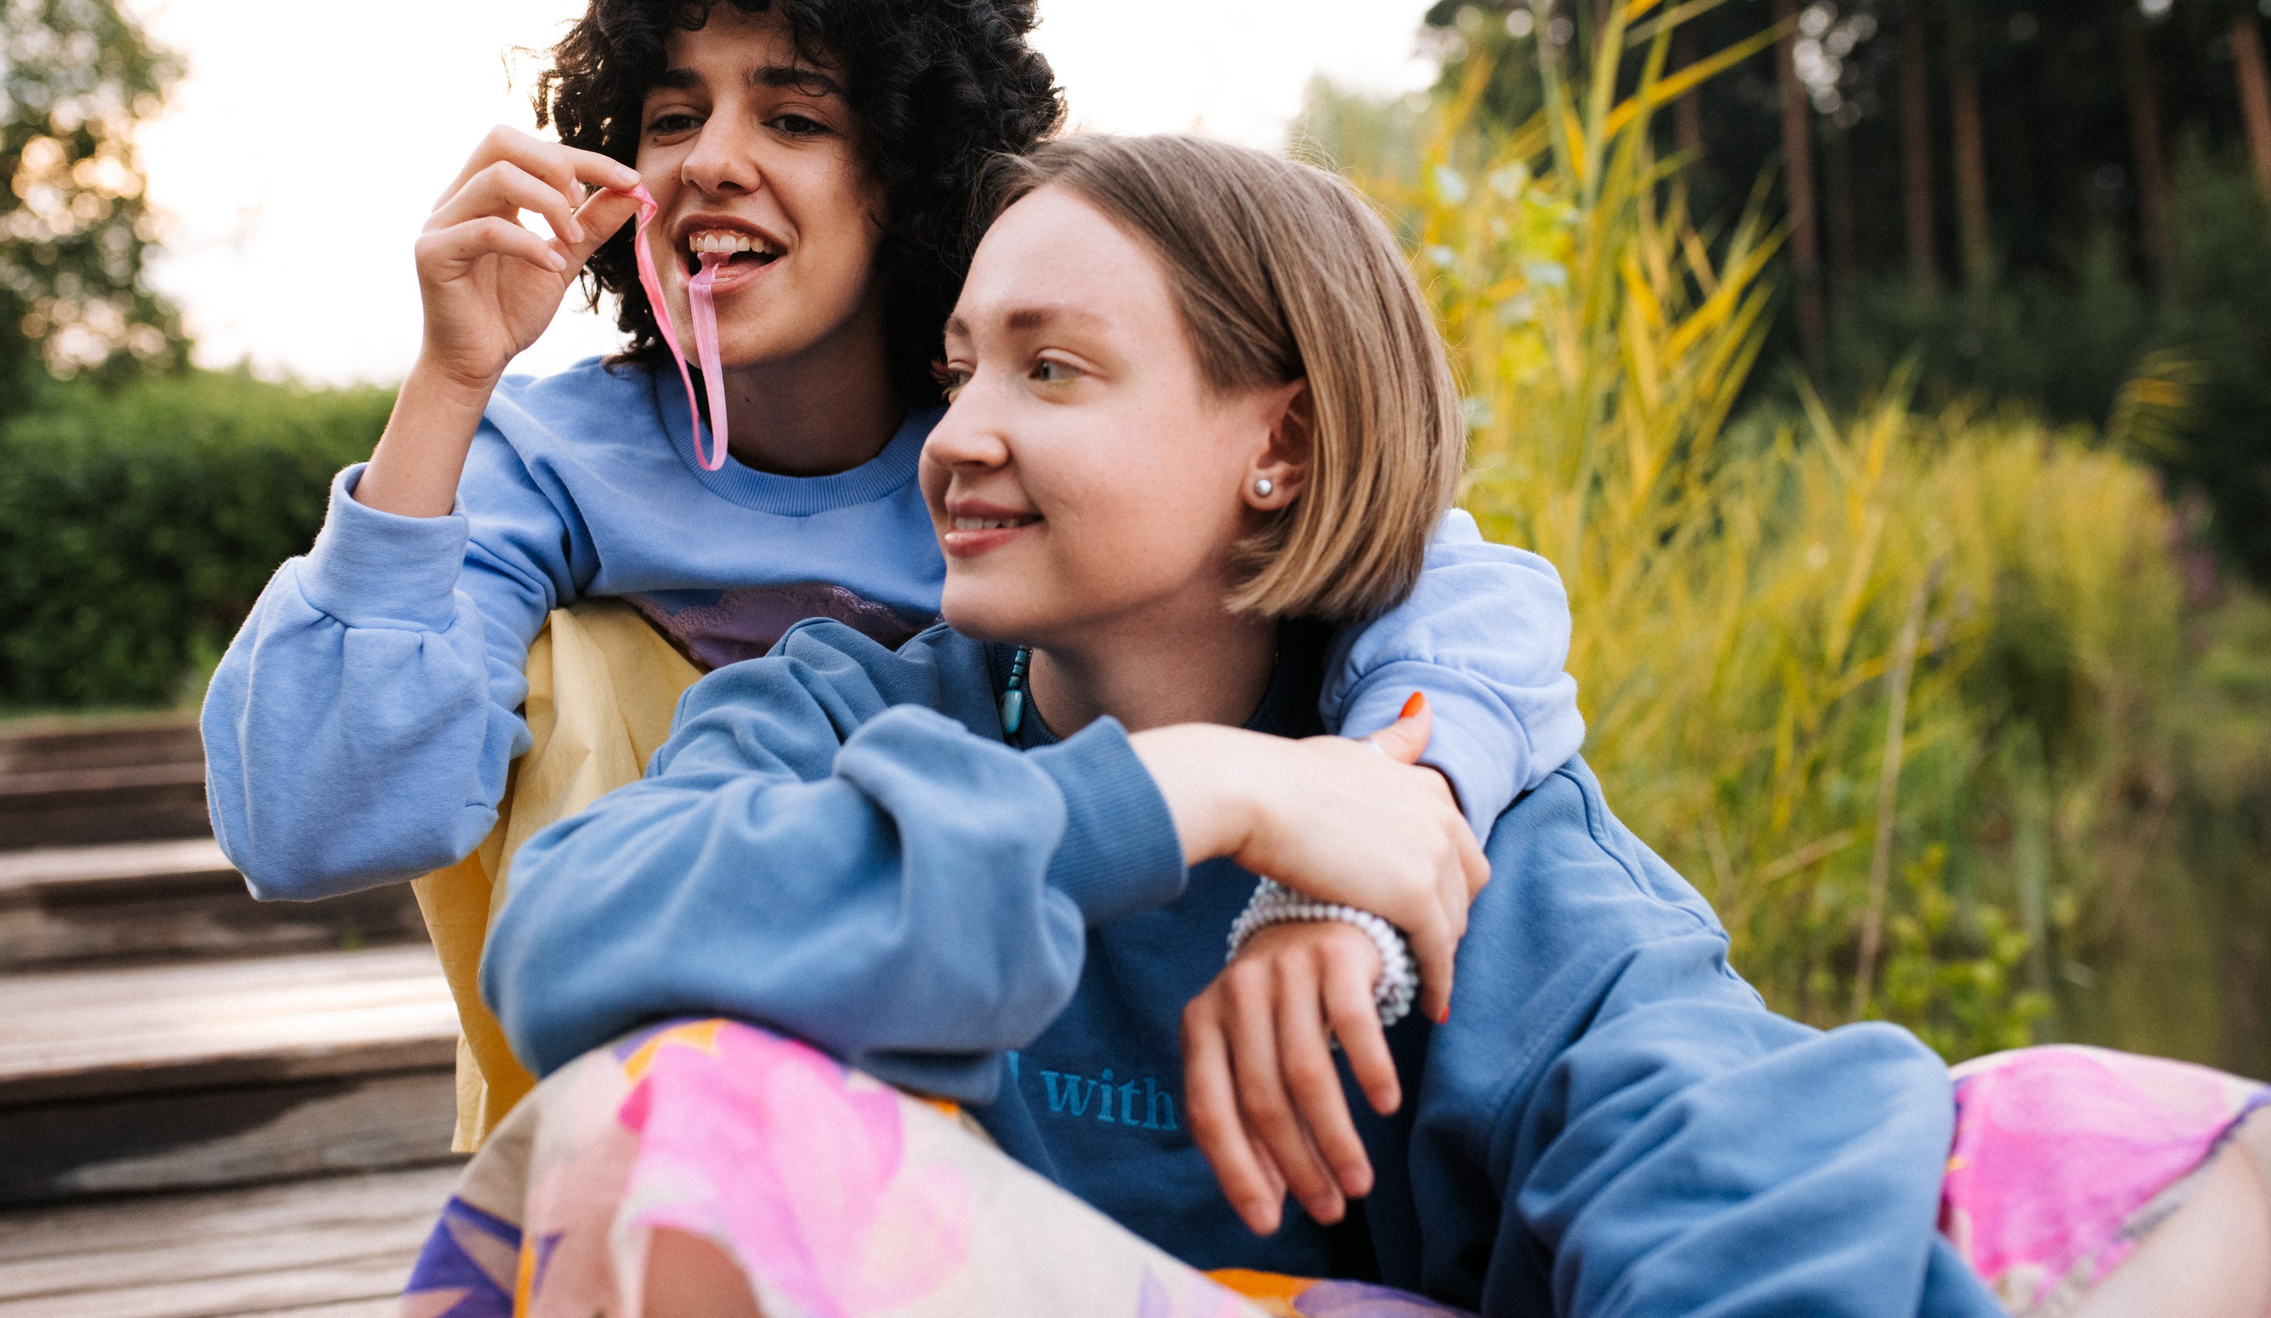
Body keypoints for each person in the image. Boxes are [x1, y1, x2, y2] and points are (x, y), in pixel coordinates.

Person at [403, 134, 2271, 1318]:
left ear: (1278, 443)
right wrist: (1192, 795)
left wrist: (1332, 855)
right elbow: (577, 939)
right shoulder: (842, 706)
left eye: (1050, 370)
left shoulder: (1470, 835)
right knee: (660, 1130)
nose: (958, 432)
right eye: (963, 362)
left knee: (2135, 1146)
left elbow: (1689, 1134)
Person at [201, 0, 1582, 1040]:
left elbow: (1431, 575)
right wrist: (452, 378)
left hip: (1024, 1006)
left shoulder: (1022, 463)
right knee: (573, 668)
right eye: (671, 116)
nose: (709, 162)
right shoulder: (553, 454)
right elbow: (312, 825)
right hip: (661, 1009)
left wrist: (1392, 802)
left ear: (911, 173)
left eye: (793, 117)